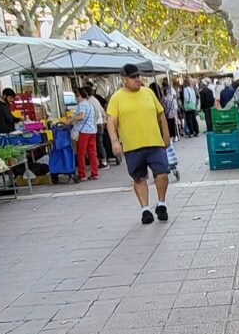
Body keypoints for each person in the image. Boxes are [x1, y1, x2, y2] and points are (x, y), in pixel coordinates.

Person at [107, 64, 171, 225]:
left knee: (162, 174)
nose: (138, 79)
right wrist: (115, 141)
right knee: (139, 178)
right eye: (133, 77)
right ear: (124, 79)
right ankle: (145, 209)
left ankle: (161, 203)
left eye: (138, 76)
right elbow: (111, 121)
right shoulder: (117, 98)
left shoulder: (149, 93)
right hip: (132, 146)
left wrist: (166, 135)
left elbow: (161, 114)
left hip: (155, 143)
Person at [70, 87, 99, 181]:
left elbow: (81, 116)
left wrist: (71, 120)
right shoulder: (89, 104)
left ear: (79, 95)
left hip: (84, 132)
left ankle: (82, 174)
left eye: (75, 96)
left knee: (81, 153)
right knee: (92, 153)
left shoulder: (81, 104)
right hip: (92, 131)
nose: (75, 98)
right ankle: (95, 173)